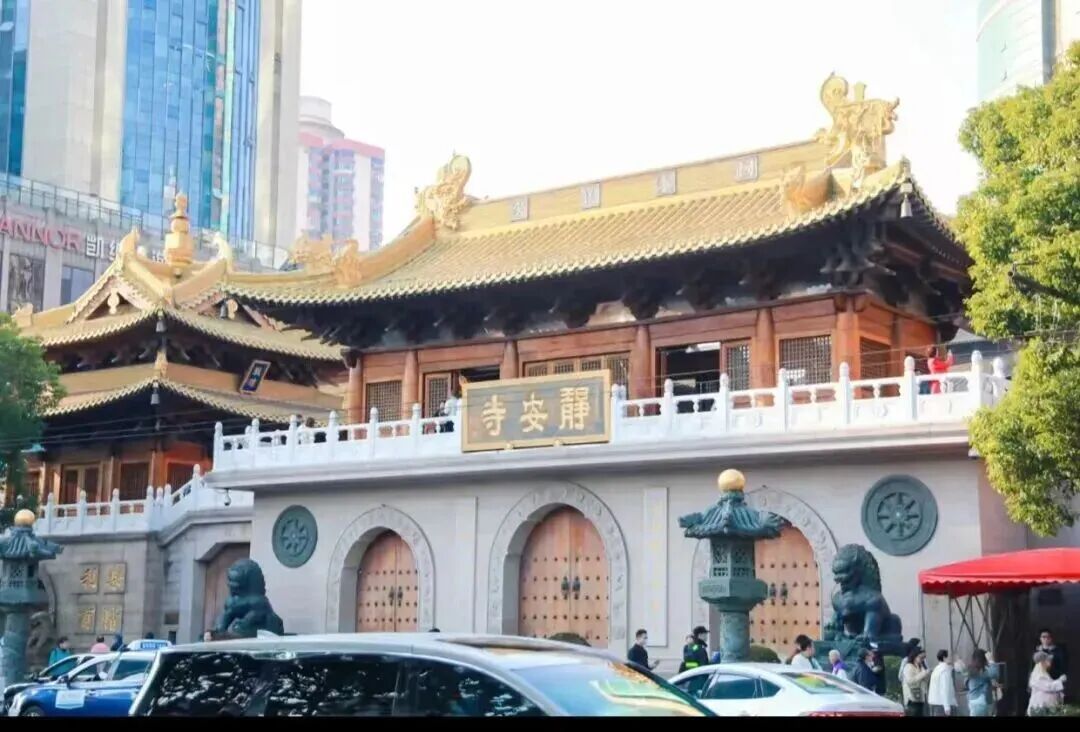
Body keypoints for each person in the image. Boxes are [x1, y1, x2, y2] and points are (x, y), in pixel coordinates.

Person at [960, 648, 999, 717]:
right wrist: (991, 661)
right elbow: (994, 673)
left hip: (973, 702)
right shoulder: (980, 672)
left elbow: (967, 683)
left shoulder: (971, 670)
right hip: (980, 702)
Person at [1028, 650, 1066, 716]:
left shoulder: (1045, 674)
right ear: (1042, 662)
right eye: (1047, 660)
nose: (1050, 662)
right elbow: (1048, 687)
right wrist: (1060, 681)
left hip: (1047, 708)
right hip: (1039, 708)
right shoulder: (1037, 675)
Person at [928, 649, 958, 716]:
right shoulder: (944, 671)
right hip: (943, 704)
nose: (951, 658)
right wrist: (946, 707)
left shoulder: (937, 669)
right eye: (950, 656)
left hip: (936, 703)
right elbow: (944, 689)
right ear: (944, 658)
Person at [901, 647, 930, 716]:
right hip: (912, 698)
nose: (922, 660)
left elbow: (925, 681)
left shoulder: (921, 667)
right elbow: (910, 681)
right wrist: (923, 674)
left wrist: (927, 675)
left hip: (921, 697)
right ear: (915, 656)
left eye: (924, 657)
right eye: (921, 657)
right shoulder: (909, 667)